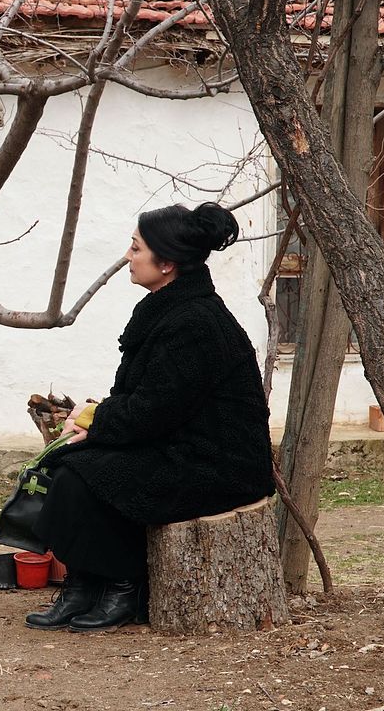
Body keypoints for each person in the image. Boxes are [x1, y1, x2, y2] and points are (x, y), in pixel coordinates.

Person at [25, 201, 274, 632]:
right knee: (69, 466)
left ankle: (124, 587)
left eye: (136, 248)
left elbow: (155, 408)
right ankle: (85, 586)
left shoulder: (197, 321)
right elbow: (139, 398)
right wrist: (91, 425)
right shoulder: (164, 307)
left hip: (219, 464)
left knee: (87, 475)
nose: (128, 256)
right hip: (178, 443)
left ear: (167, 263)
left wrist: (94, 422)